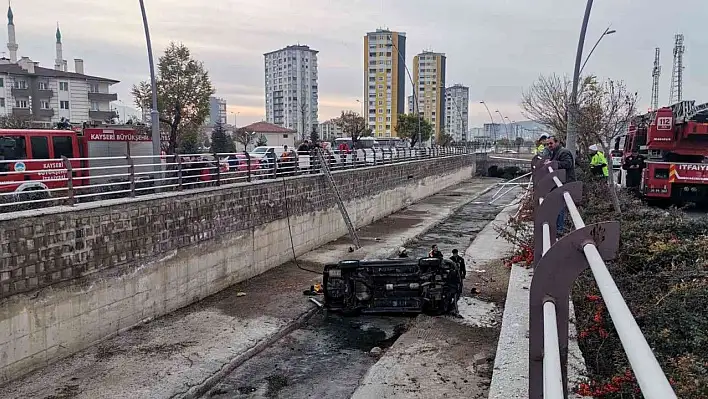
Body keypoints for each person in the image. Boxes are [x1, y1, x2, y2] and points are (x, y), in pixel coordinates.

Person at [544, 136, 575, 236]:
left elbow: (568, 164)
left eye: (551, 143)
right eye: (548, 144)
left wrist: (552, 163)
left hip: (565, 182)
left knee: (559, 205)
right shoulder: (556, 152)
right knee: (557, 205)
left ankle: (559, 228)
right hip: (560, 182)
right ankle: (558, 227)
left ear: (557, 142)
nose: (549, 146)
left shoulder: (563, 152)